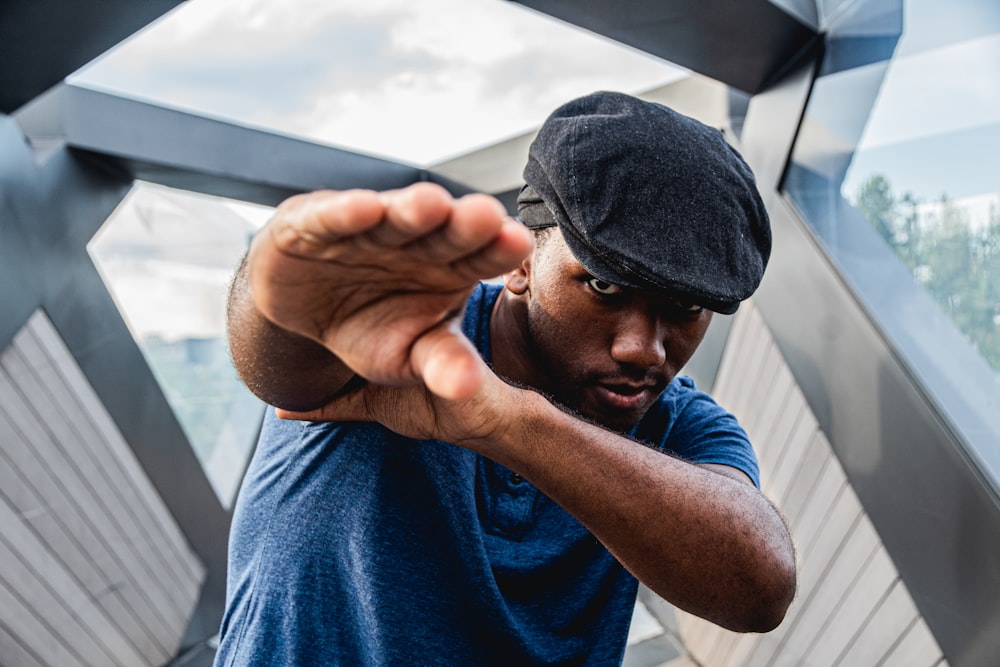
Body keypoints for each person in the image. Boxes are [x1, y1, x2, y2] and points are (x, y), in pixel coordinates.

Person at [216, 91, 796, 666]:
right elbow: (283, 370)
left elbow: (759, 590)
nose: (642, 350)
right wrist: (273, 295)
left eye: (686, 308)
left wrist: (508, 423)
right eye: (603, 286)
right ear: (521, 264)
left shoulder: (680, 424)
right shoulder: (414, 336)